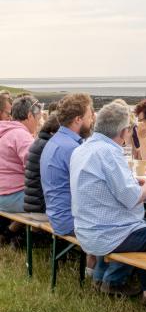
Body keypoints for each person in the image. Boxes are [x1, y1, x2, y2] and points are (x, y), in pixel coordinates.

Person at [70, 102, 146, 300]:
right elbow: (132, 199)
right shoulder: (109, 152)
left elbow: (103, 184)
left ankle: (103, 277)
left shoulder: (84, 148)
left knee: (143, 226)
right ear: (124, 132)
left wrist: (135, 181)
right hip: (107, 233)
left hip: (86, 228)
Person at [40, 93, 95, 236]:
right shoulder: (72, 149)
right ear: (78, 119)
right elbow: (93, 189)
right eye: (89, 117)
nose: (92, 121)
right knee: (141, 226)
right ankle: (100, 257)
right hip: (71, 220)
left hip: (56, 216)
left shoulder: (55, 141)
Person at [0, 95, 42, 212]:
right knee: (58, 200)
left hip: (3, 194)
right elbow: (34, 167)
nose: (38, 123)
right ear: (29, 116)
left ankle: (11, 229)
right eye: (37, 118)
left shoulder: (5, 130)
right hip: (13, 196)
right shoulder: (21, 135)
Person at [24, 112, 61, 213]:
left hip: (31, 203)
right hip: (41, 206)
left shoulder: (38, 141)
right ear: (54, 132)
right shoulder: (50, 146)